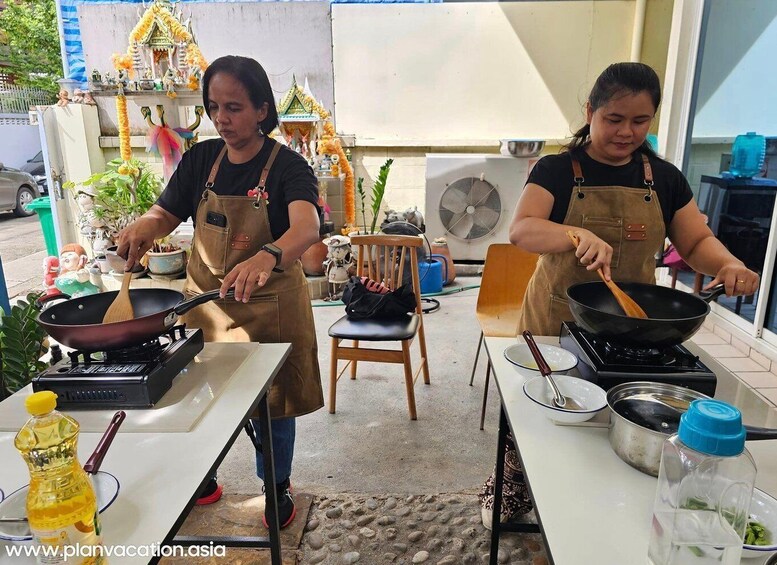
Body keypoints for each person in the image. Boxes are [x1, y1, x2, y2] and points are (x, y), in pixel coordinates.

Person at [479, 62, 760, 529]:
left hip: (633, 325)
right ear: (590, 111)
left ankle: (597, 509)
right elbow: (523, 230)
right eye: (614, 119)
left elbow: (694, 243)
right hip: (556, 320)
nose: (626, 132)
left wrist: (727, 263)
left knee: (616, 420)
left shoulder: (664, 179)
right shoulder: (556, 169)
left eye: (640, 121)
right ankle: (512, 485)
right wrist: (573, 233)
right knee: (539, 419)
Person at [116, 55, 324, 529]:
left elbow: (306, 226)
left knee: (273, 407)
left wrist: (268, 254)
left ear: (263, 111)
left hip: (269, 309)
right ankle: (204, 477)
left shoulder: (288, 166)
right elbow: (165, 212)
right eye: (214, 107)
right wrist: (146, 226)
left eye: (234, 107)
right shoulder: (200, 160)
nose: (221, 119)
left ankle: (276, 487)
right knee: (200, 396)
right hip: (206, 307)